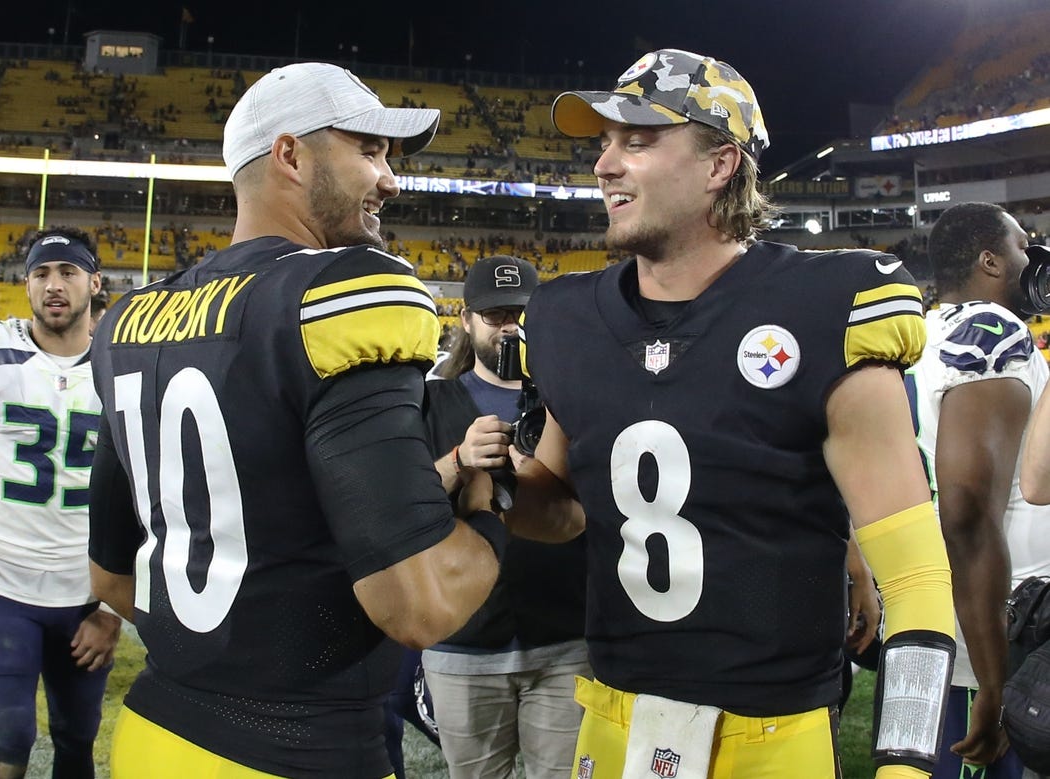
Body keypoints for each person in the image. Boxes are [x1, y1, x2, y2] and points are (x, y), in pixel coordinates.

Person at [506, 48, 957, 779]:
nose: (604, 165)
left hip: (769, 733)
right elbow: (559, 505)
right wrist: (488, 481)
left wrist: (907, 764)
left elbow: (917, 580)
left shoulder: (822, 307)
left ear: (720, 163)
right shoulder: (566, 316)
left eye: (638, 141)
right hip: (613, 716)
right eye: (604, 143)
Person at [87, 61, 507, 779]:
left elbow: (110, 576)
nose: (390, 179)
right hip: (296, 752)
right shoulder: (340, 292)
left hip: (154, 734)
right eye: (369, 150)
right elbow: (420, 606)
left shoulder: (129, 320)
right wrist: (489, 503)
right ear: (290, 154)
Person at [0, 225, 122, 779]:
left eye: (68, 272)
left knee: (77, 740)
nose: (54, 285)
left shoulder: (124, 364)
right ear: (26, 285)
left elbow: (152, 499)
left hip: (86, 595)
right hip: (6, 590)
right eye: (41, 273)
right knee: (9, 744)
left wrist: (115, 611)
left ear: (94, 283)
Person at [421, 254, 589, 779]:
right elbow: (404, 503)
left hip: (565, 631)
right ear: (467, 321)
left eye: (519, 313)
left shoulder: (572, 397)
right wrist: (458, 460)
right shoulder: (429, 400)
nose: (509, 326)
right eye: (495, 315)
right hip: (464, 638)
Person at [906, 202, 1050, 779]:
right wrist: (993, 678)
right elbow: (966, 509)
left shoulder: (922, 327)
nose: (1032, 257)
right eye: (1021, 246)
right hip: (992, 621)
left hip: (933, 601)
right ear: (990, 260)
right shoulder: (993, 332)